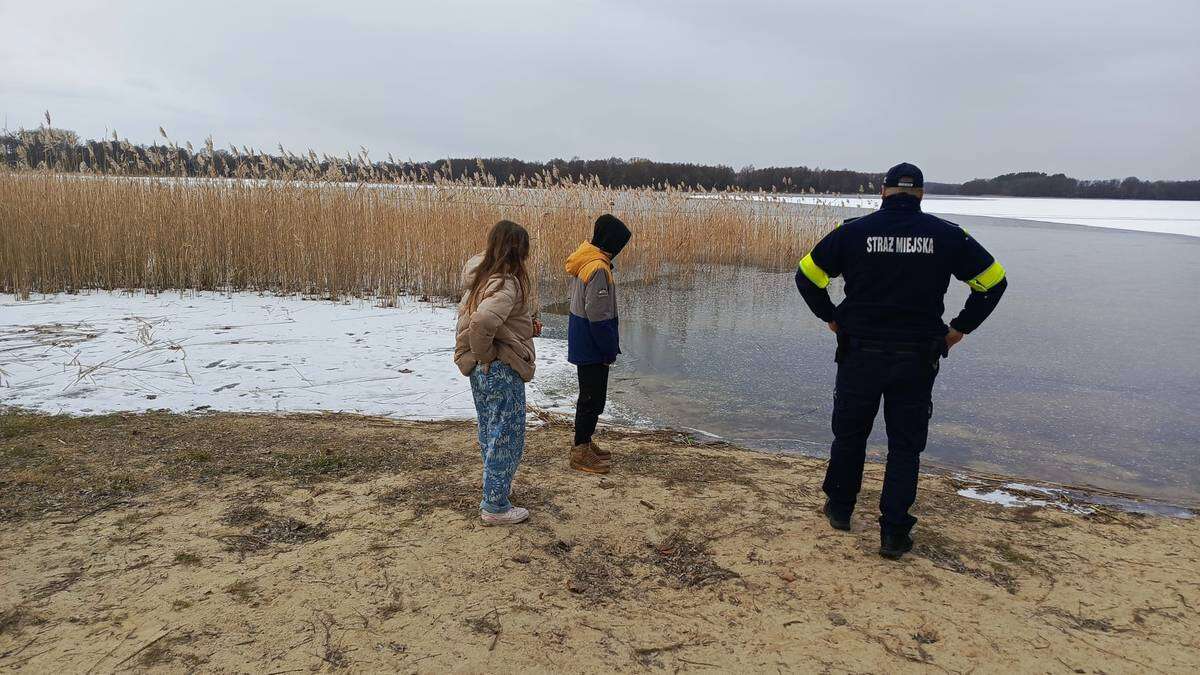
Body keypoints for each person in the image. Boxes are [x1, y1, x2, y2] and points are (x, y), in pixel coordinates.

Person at [794, 163, 1008, 559]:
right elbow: (993, 283)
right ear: (922, 194)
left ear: (883, 191)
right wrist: (960, 328)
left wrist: (832, 316)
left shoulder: (853, 232)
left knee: (850, 435)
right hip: (917, 357)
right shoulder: (947, 236)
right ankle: (893, 533)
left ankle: (840, 510)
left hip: (860, 352)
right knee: (905, 447)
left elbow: (807, 276)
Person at [454, 220, 543, 525]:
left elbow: (487, 318)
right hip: (499, 369)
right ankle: (494, 507)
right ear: (518, 249)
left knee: (491, 431)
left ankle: (496, 494)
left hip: (483, 372)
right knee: (507, 435)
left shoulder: (482, 278)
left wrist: (523, 328)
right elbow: (481, 323)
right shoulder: (507, 282)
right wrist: (488, 355)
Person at [563, 214, 632, 474]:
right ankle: (580, 451)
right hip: (592, 344)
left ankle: (585, 442)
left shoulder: (588, 260)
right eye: (620, 244)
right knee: (592, 398)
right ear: (611, 241)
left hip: (584, 340)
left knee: (591, 397)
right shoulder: (598, 267)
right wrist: (608, 349)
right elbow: (599, 315)